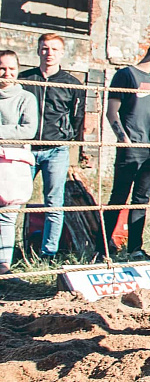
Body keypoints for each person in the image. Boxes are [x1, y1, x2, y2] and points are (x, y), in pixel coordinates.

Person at [103, 40, 150, 261]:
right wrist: (124, 139)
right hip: (132, 147)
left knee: (142, 199)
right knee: (119, 197)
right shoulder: (125, 75)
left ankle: (135, 249)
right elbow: (112, 112)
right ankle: (103, 248)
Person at [19, 33, 85, 260]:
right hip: (24, 149)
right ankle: (6, 254)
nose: (49, 53)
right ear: (38, 50)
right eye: (45, 48)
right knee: (12, 200)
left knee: (54, 203)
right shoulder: (23, 79)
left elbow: (78, 119)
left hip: (56, 150)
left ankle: (48, 254)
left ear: (62, 53)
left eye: (54, 49)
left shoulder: (72, 84)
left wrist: (71, 146)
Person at [0, 50, 38, 277]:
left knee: (7, 214)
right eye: (2, 68)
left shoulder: (26, 99)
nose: (7, 73)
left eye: (12, 69)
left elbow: (27, 130)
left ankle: (3, 264)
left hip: (12, 164)